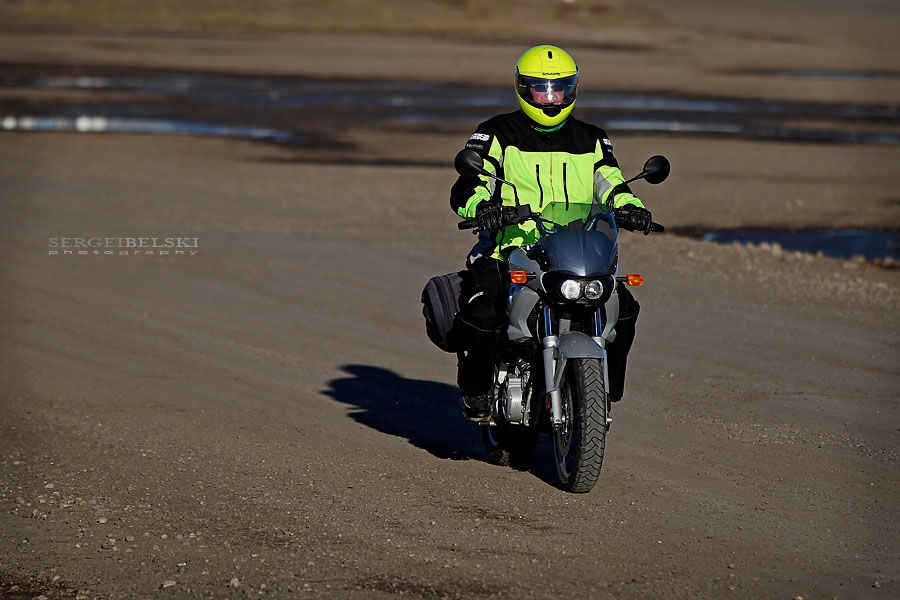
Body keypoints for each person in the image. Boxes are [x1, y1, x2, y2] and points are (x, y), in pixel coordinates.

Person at [449, 44, 654, 421]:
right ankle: (476, 393)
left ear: (572, 90)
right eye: (541, 90)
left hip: (575, 249)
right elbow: (470, 183)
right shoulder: (496, 133)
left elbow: (611, 182)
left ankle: (603, 394)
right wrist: (483, 207)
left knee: (624, 309)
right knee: (485, 312)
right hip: (511, 249)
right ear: (524, 90)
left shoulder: (591, 138)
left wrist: (633, 209)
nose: (550, 99)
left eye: (558, 89)